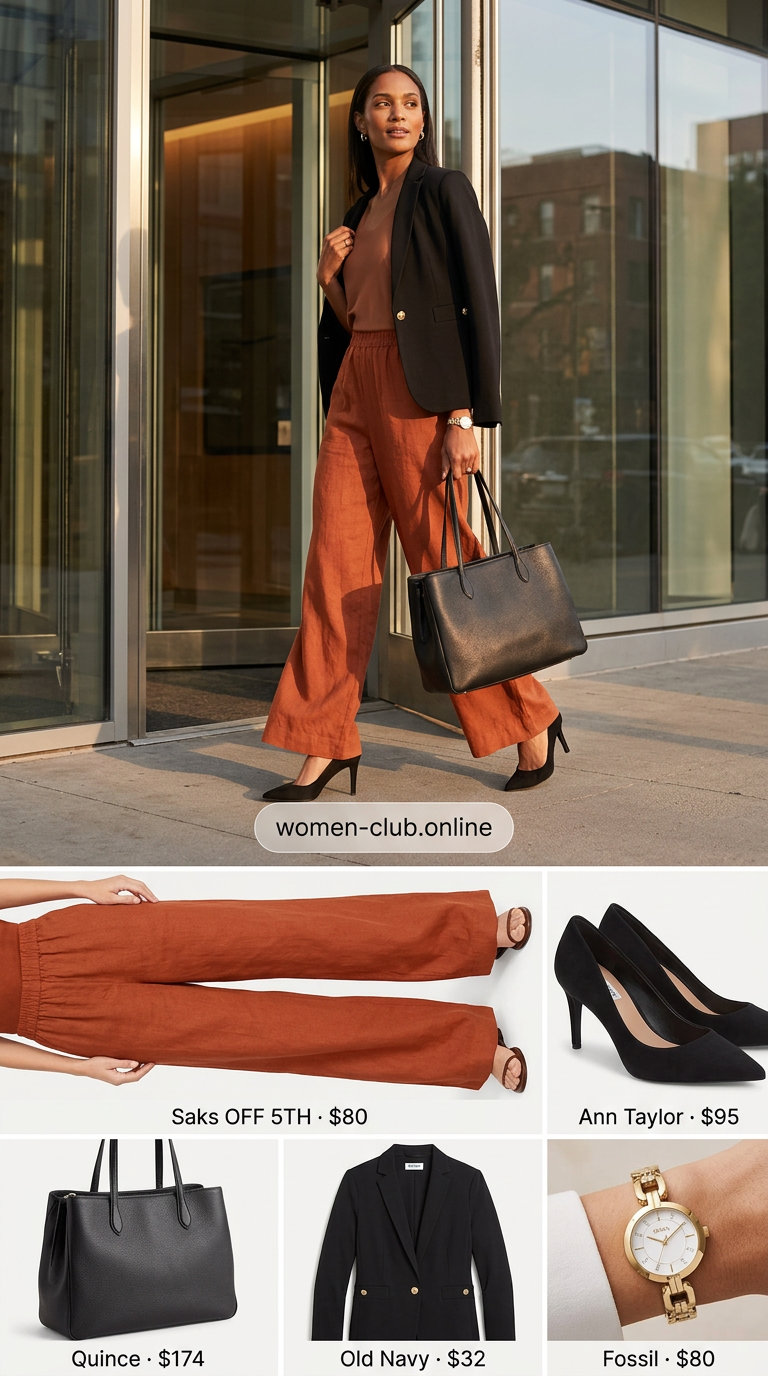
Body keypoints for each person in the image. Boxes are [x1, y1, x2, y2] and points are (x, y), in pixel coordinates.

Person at [261, 64, 566, 801]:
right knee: (333, 573)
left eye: (409, 105)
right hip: (354, 395)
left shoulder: (442, 190)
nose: (396, 115)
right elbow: (357, 320)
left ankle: (530, 718)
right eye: (381, 105)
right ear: (361, 122)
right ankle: (324, 743)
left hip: (419, 396)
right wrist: (329, 281)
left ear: (423, 123)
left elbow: (478, 303)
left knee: (449, 563)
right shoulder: (361, 212)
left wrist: (465, 417)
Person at [0, 876, 530, 1092]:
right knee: (275, 1035)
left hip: (68, 939)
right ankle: (469, 1050)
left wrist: (78, 886)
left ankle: (474, 931)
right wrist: (77, 1069)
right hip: (66, 1020)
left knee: (283, 930)